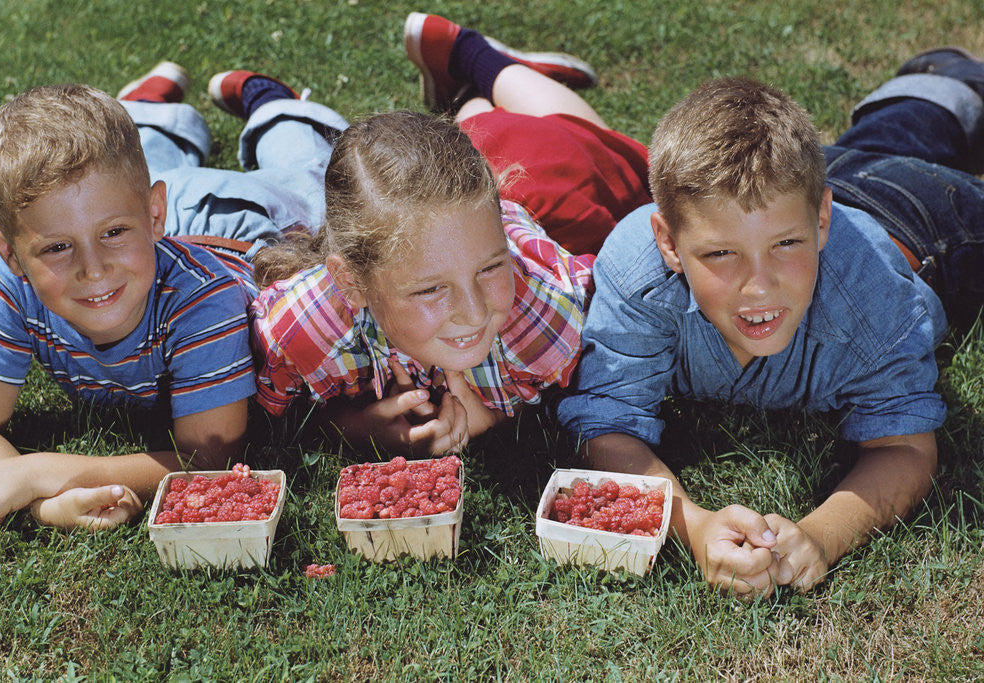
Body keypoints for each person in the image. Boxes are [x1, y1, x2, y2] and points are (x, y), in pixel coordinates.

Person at [557, 48, 984, 596]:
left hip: (922, 225)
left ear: (821, 221)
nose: (758, 285)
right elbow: (606, 421)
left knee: (909, 159)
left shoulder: (868, 296)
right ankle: (937, 78)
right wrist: (695, 523)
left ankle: (948, 83)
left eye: (786, 247)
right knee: (877, 144)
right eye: (719, 256)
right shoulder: (639, 272)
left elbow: (904, 446)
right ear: (667, 243)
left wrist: (821, 536)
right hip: (787, 195)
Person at [0, 63, 345, 530]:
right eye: (57, 247)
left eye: (112, 233)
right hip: (147, 215)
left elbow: (211, 457)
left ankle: (276, 107)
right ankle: (150, 110)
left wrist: (45, 470)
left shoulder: (205, 303)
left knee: (313, 184)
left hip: (240, 225)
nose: (93, 268)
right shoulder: (11, 280)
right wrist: (42, 503)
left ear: (153, 214)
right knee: (118, 175)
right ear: (10, 250)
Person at [247, 13, 651, 457]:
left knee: (623, 158)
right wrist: (350, 427)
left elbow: (606, 384)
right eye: (431, 289)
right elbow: (265, 418)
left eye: (492, 268)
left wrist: (494, 413)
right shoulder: (299, 330)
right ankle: (466, 95)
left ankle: (479, 59)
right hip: (454, 200)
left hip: (543, 188)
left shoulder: (552, 317)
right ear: (351, 283)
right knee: (480, 117)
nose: (474, 311)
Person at [404, 11, 652, 255]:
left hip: (538, 183)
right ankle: (471, 66)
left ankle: (472, 66)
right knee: (493, 125)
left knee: (574, 147)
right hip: (527, 175)